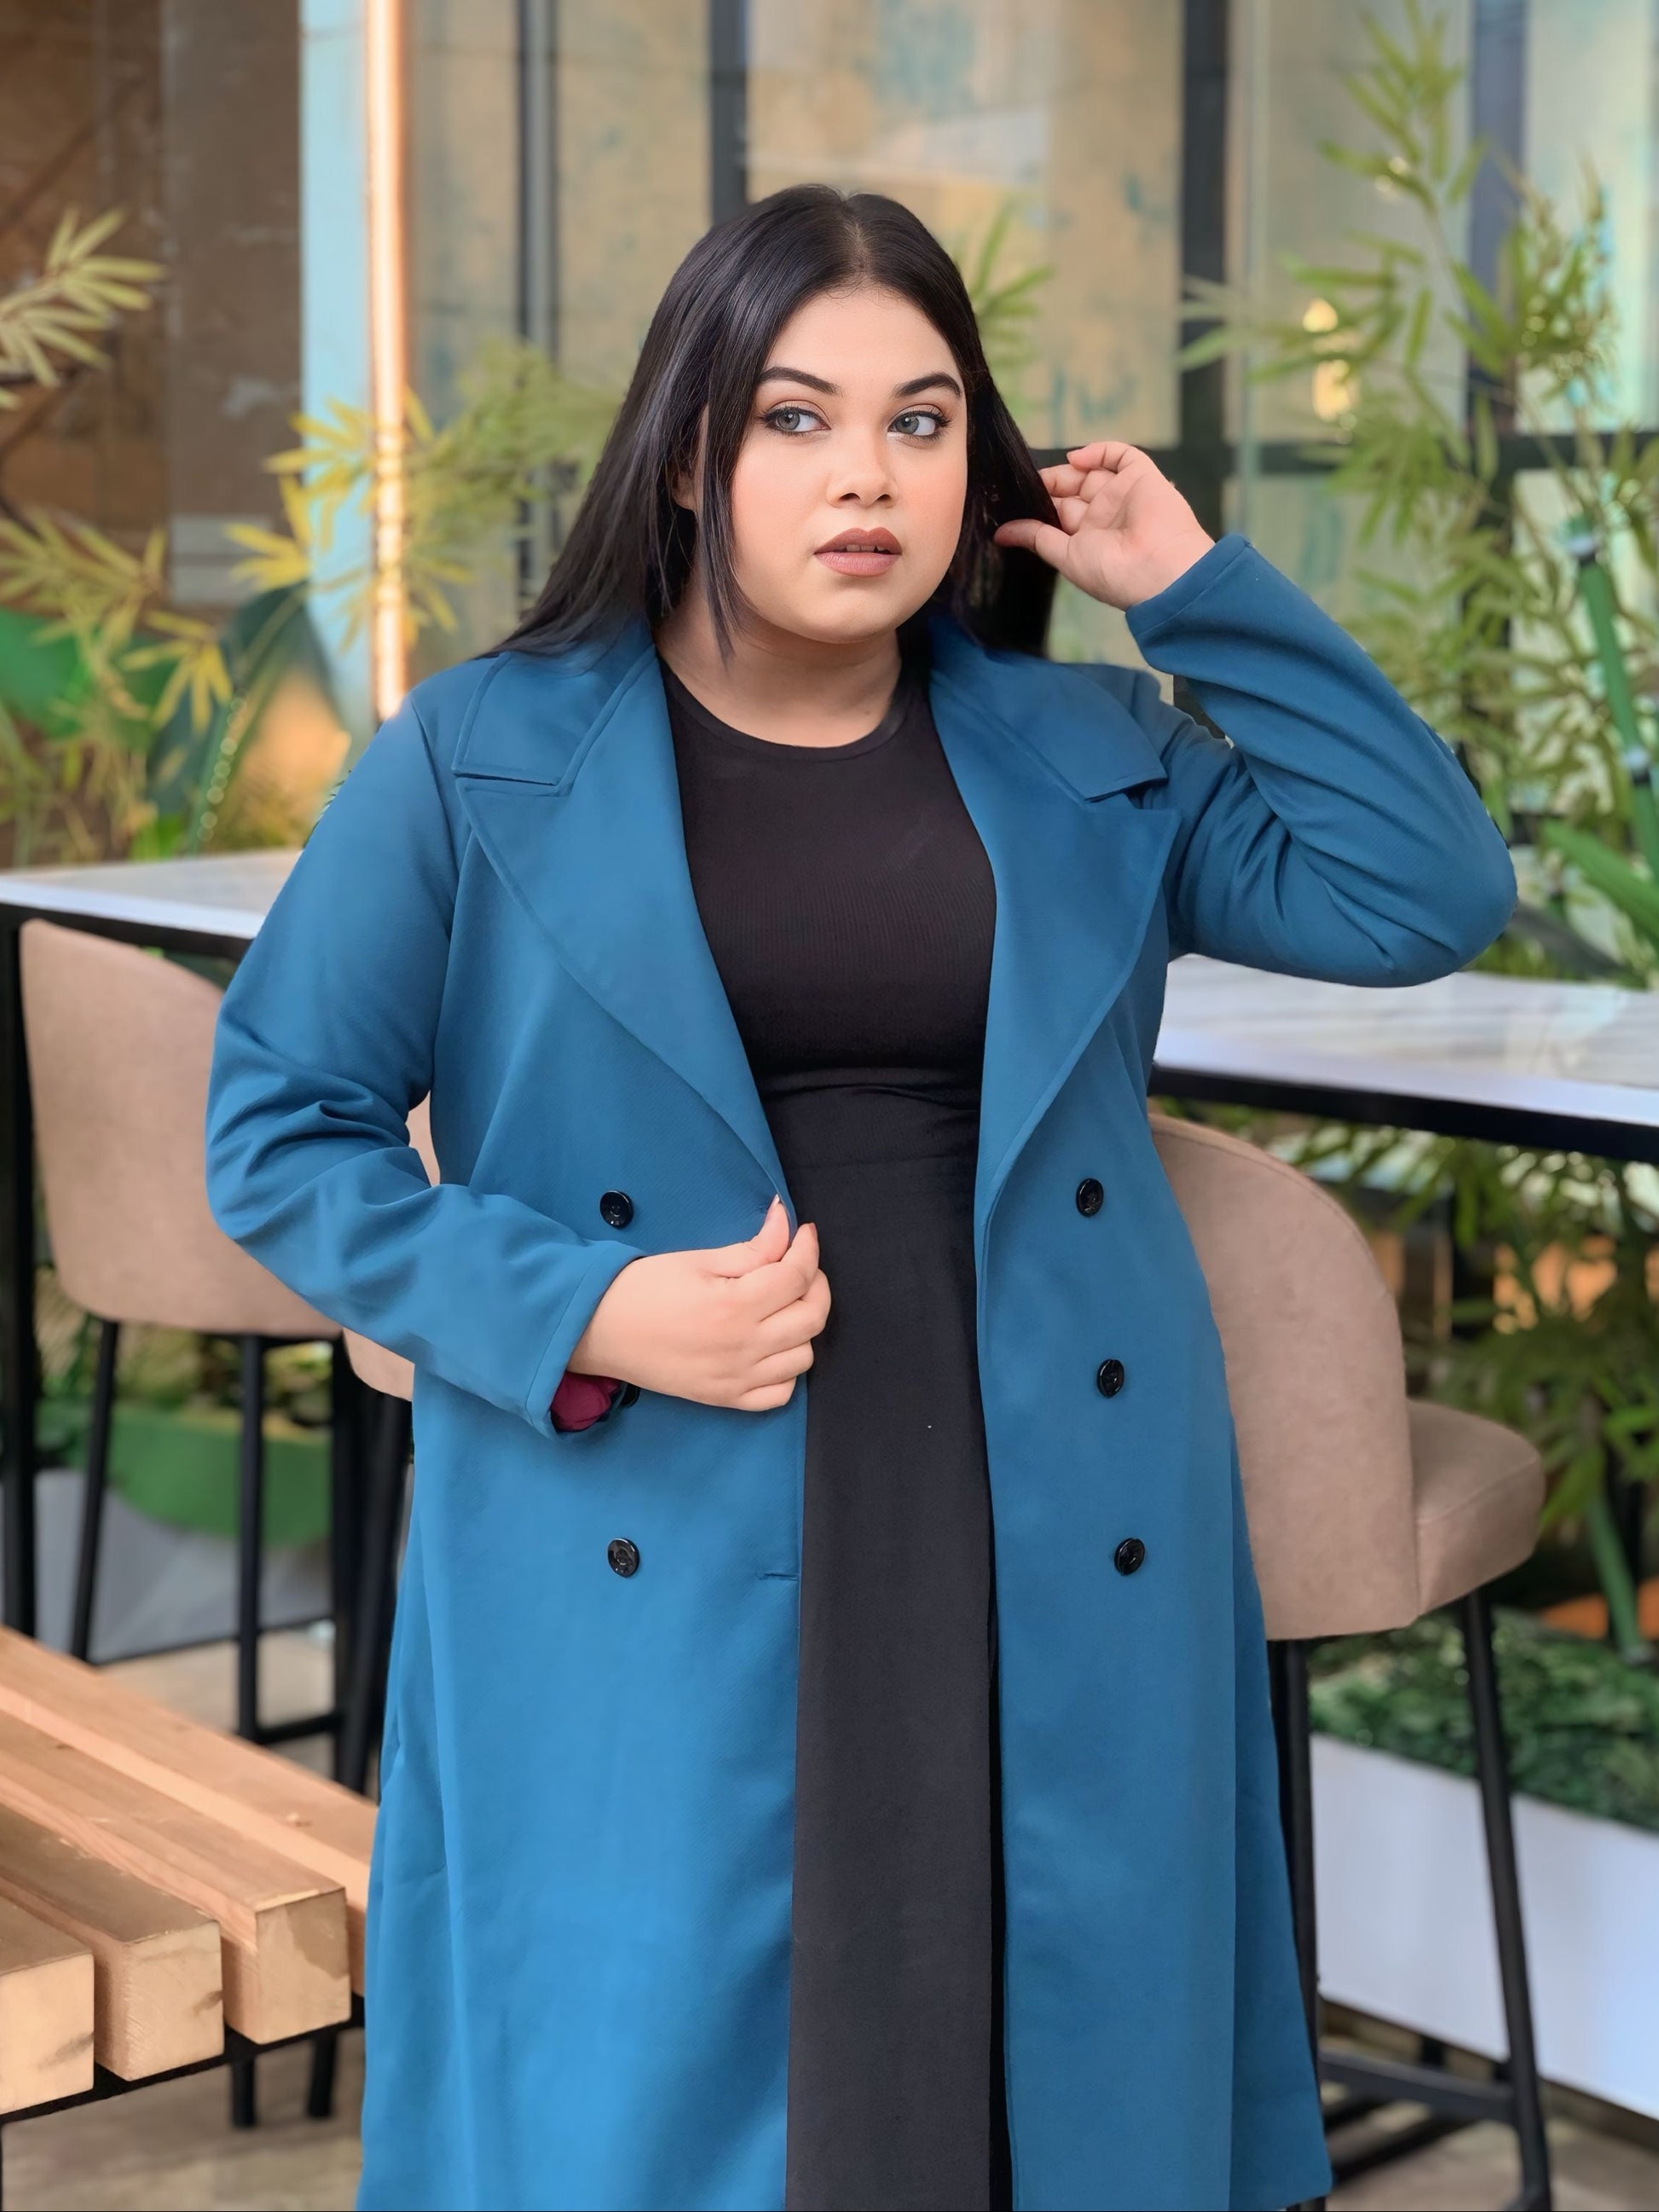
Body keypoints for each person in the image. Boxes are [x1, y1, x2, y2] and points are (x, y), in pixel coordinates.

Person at [203, 183, 1516, 2212]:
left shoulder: (1089, 747)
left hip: (1047, 1482)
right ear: (688, 457)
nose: (865, 477)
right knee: (666, 2081)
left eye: (921, 420)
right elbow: (279, 1129)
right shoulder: (480, 754)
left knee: (1038, 2057)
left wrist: (1194, 592)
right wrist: (584, 1310)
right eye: (796, 418)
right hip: (646, 1465)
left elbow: (1421, 889)